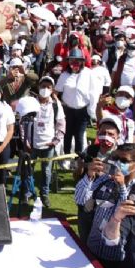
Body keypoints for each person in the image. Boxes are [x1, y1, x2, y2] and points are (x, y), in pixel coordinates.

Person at [56, 48, 99, 157]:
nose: (75, 63)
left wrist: (92, 110)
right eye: (72, 60)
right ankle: (65, 157)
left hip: (83, 110)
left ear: (82, 62)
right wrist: (58, 105)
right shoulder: (64, 75)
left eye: (78, 60)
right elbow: (56, 91)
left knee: (79, 135)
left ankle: (78, 160)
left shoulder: (89, 74)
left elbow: (94, 92)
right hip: (68, 109)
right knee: (67, 134)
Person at [32, 76, 65, 207]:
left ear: (52, 90)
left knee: (46, 171)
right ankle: (28, 192)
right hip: (32, 144)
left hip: (48, 144)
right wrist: (26, 141)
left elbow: (61, 124)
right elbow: (23, 123)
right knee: (29, 170)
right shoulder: (31, 102)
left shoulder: (56, 105)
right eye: (43, 86)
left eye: (48, 87)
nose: (45, 89)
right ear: (38, 87)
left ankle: (44, 194)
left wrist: (56, 141)